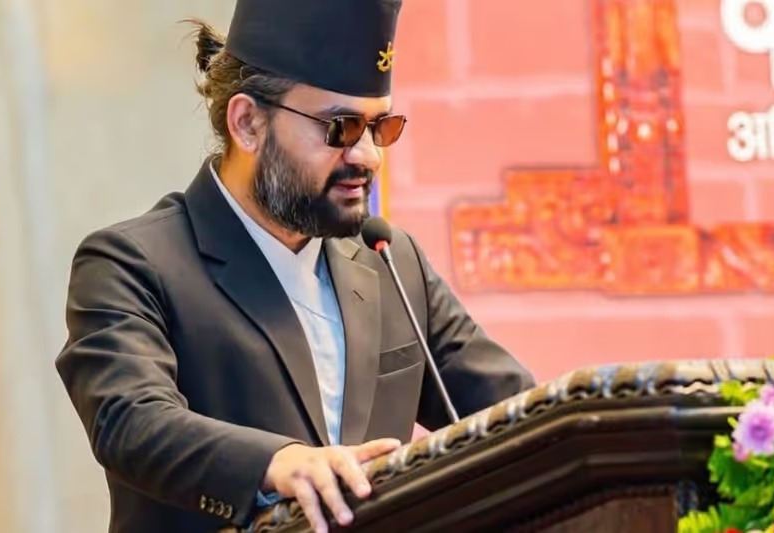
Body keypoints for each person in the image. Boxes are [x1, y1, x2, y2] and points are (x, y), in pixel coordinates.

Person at [54, 1, 535, 532]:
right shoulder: (133, 264)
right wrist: (277, 462)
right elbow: (130, 420)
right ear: (247, 123)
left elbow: (520, 416)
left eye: (380, 127)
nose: (368, 156)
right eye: (341, 128)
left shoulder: (391, 261)